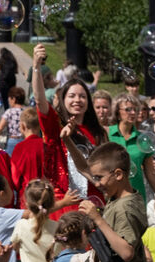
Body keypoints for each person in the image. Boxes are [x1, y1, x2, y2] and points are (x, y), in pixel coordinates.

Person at [32, 44, 105, 218]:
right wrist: (36, 67)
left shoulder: (97, 131)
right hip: (64, 206)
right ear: (63, 100)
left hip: (95, 204)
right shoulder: (54, 125)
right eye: (71, 96)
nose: (77, 100)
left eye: (82, 96)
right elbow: (40, 100)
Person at [107, 92, 155, 202]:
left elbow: (151, 173)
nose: (133, 113)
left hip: (136, 198)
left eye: (135, 110)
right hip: (110, 198)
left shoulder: (143, 139)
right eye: (128, 109)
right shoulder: (106, 134)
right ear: (118, 112)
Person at [10, 108, 44, 206]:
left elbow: (15, 177)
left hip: (26, 197)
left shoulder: (19, 148)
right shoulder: (46, 145)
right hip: (46, 195)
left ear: (22, 126)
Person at [0, 87, 27, 155]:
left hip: (13, 140)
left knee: (10, 163)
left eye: (9, 98)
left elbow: (0, 128)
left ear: (13, 99)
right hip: (25, 140)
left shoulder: (9, 112)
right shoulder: (26, 111)